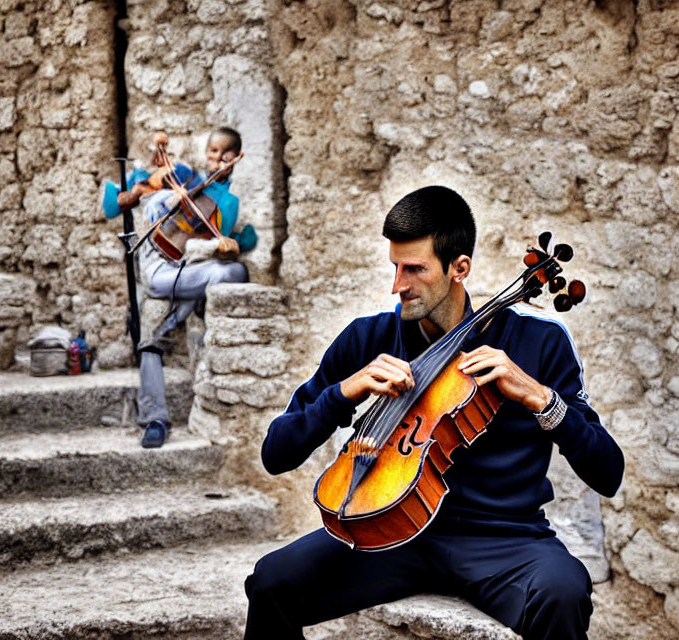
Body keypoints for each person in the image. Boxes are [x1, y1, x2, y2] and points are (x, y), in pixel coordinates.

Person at [243, 186, 624, 639]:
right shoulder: (369, 337)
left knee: (564, 591)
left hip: (504, 541)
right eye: (395, 267)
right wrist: (343, 393)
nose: (397, 286)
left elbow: (609, 471)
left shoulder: (539, 343)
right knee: (270, 582)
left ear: (459, 268)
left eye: (415, 270)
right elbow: (276, 453)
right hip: (390, 532)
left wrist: (541, 398)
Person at [101, 127, 257, 448]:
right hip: (160, 265)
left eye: (225, 155)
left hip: (189, 272)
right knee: (149, 339)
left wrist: (231, 244)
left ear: (236, 158)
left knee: (234, 271)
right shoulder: (184, 175)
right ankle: (155, 418)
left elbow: (211, 242)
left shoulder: (227, 202)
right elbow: (114, 207)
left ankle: (204, 400)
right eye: (213, 152)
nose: (217, 159)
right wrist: (148, 191)